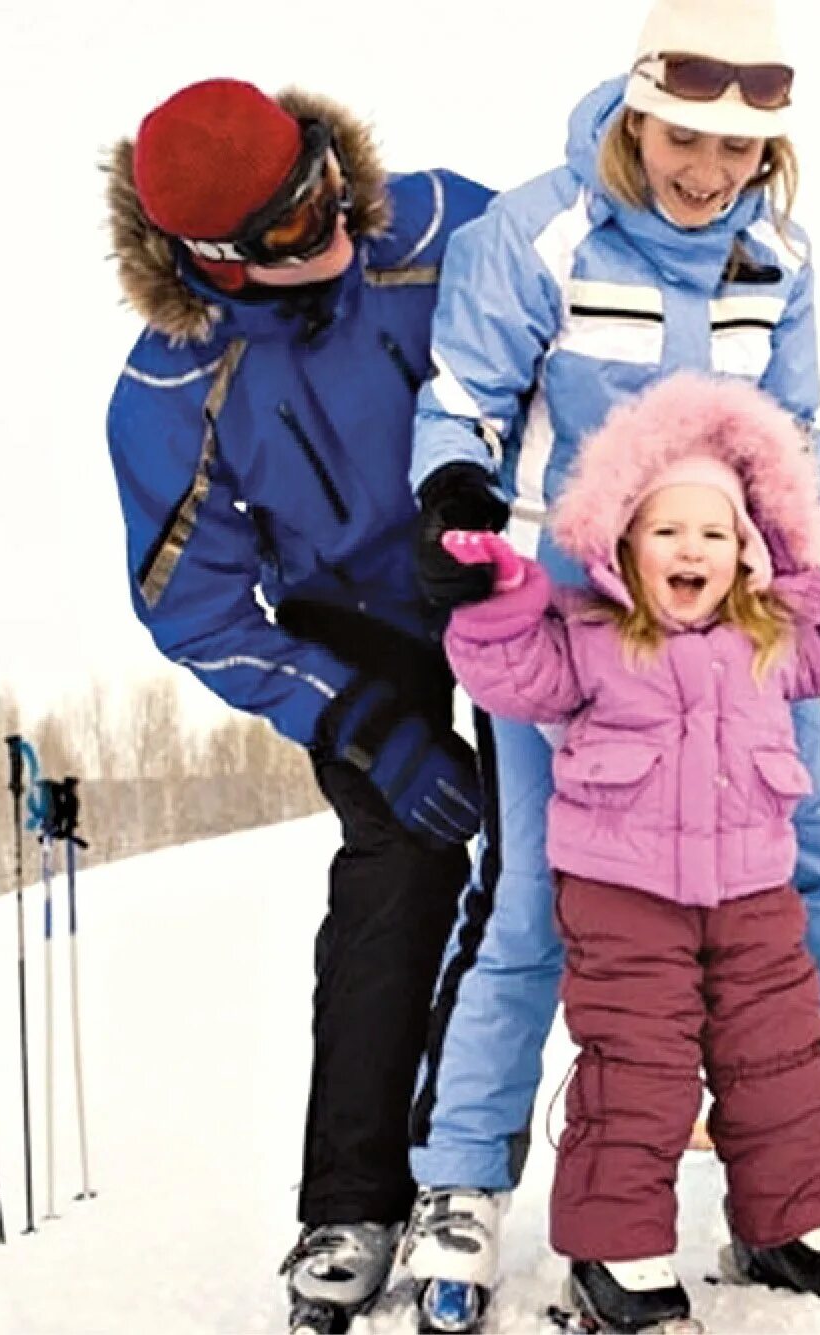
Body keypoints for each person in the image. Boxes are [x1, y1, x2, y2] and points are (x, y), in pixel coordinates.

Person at [399, 2, 820, 1327]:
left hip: (736, 623)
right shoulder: (531, 233)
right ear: (641, 109)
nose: (711, 168)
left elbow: (788, 428)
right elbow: (462, 395)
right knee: (531, 898)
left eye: (743, 146)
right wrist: (455, 494)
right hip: (575, 626)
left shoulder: (778, 249)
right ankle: (462, 1186)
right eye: (690, 136)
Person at [437, 373, 820, 1330]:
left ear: (747, 554)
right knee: (637, 1070)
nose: (693, 548)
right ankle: (617, 1254)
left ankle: (796, 1226)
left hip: (755, 892)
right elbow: (507, 673)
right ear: (624, 546)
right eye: (668, 530)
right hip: (622, 898)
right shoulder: (589, 639)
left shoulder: (772, 639)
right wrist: (490, 596)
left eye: (716, 533)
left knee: (785, 1062)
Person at [102, 78, 495, 1333]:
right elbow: (198, 611)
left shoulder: (436, 234)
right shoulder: (172, 390)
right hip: (357, 627)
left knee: (664, 798)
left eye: (326, 188)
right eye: (286, 229)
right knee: (401, 855)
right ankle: (355, 1200)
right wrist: (363, 721)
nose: (329, 230)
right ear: (208, 256)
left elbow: (601, 331)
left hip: (503, 561)